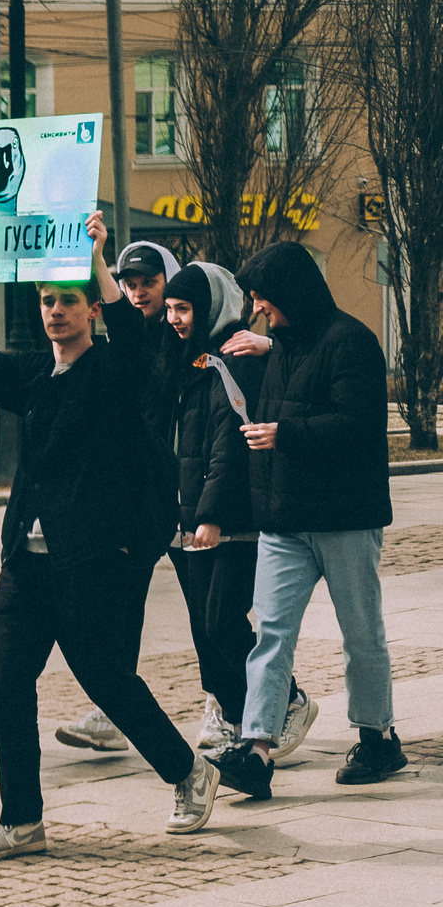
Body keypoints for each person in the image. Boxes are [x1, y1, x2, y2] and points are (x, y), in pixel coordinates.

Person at [0, 225, 219, 850]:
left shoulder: (115, 372)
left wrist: (96, 259)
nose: (56, 312)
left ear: (91, 308)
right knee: (8, 685)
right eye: (47, 301)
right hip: (26, 560)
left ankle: (187, 771)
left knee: (105, 677)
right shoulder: (33, 375)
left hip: (89, 557)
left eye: (69, 301)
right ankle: (22, 821)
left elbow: (132, 338)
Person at [214, 242, 404, 796]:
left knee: (361, 634)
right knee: (271, 635)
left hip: (345, 517)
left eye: (263, 297)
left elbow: (358, 426)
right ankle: (256, 751)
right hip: (285, 520)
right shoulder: (278, 348)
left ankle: (377, 739)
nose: (258, 307)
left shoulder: (353, 342)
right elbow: (283, 366)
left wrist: (284, 434)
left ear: (291, 292)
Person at [159, 263, 310, 768]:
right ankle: (247, 726)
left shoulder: (232, 357)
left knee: (223, 624)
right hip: (198, 518)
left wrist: (212, 515)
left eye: (183, 309)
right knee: (209, 632)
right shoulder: (191, 358)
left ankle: (283, 702)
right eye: (170, 309)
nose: (174, 318)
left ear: (208, 308)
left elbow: (228, 442)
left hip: (234, 519)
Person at [56, 237, 189, 756]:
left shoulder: (178, 334)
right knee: (124, 597)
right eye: (128, 284)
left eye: (147, 283)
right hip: (143, 490)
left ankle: (250, 702)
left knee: (212, 609)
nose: (137, 293)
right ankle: (114, 707)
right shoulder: (126, 343)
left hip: (183, 490)